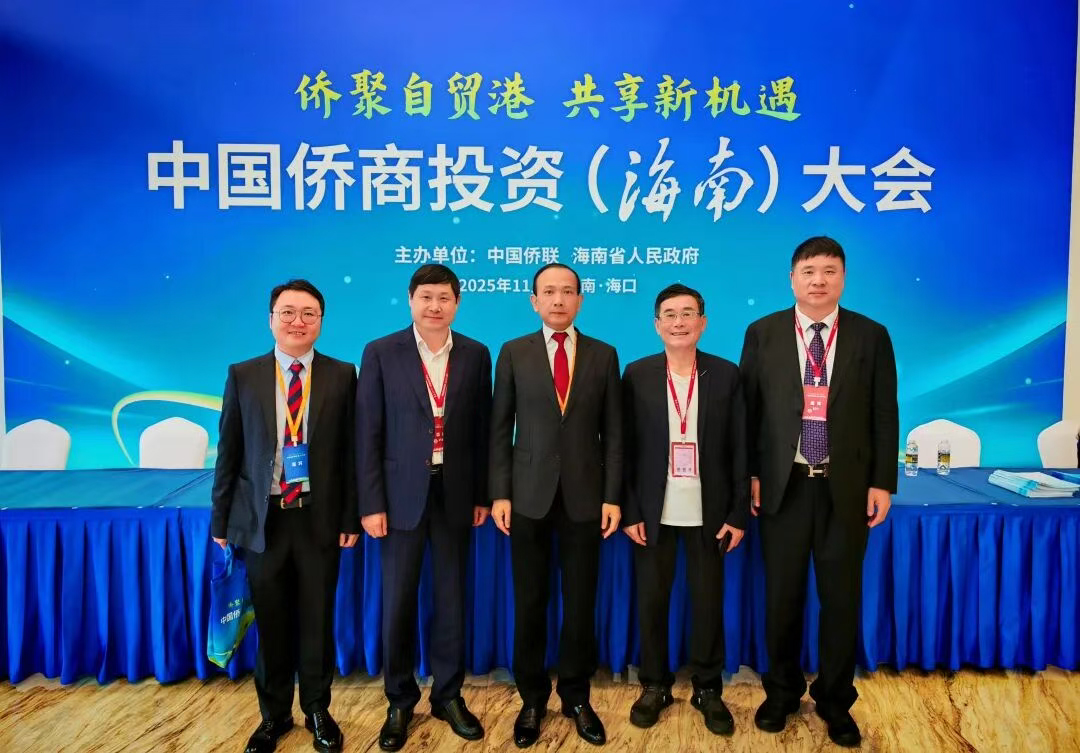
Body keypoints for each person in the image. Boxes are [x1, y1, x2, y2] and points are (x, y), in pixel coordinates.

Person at [739, 237, 898, 748]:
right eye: (809, 271)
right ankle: (781, 693)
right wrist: (752, 475)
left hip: (844, 489)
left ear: (843, 278)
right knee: (781, 598)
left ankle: (834, 700)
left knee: (841, 601)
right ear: (792, 279)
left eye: (829, 271)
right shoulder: (762, 332)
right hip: (783, 488)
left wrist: (881, 481)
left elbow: (884, 412)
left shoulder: (871, 335)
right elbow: (749, 412)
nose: (818, 280)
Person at [211, 279, 359, 753]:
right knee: (272, 624)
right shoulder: (244, 374)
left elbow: (351, 455)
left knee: (317, 620)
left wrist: (350, 518)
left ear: (321, 321)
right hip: (264, 521)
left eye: (309, 313)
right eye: (288, 312)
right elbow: (229, 452)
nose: (298, 321)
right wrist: (220, 521)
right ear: (271, 319)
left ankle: (318, 710)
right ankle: (273, 717)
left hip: (318, 518)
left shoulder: (342, 374)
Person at [356, 264, 492, 751]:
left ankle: (448, 695)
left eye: (444, 298)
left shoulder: (476, 354)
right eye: (426, 297)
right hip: (398, 499)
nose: (435, 306)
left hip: (454, 495)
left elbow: (482, 431)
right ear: (411, 300)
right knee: (398, 602)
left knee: (452, 600)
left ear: (457, 303)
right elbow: (367, 432)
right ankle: (399, 700)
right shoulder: (380, 352)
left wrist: (481, 495)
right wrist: (371, 503)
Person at [489, 263, 622, 747]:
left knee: (580, 603)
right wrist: (500, 492)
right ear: (534, 300)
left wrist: (612, 496)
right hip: (528, 497)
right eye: (549, 291)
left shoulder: (604, 354)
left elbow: (615, 433)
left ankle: (576, 696)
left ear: (581, 300)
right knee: (530, 602)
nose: (559, 300)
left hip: (586, 498)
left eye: (568, 292)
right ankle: (531, 699)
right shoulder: (513, 351)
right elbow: (500, 427)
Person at [621, 283, 748, 736]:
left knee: (707, 602)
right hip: (653, 511)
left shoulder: (726, 374)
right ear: (657, 325)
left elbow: (741, 447)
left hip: (709, 511)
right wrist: (630, 509)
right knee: (652, 602)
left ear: (703, 322)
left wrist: (738, 512)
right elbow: (623, 449)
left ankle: (707, 688)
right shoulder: (637, 374)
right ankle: (654, 684)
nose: (679, 322)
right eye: (670, 315)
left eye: (688, 313)